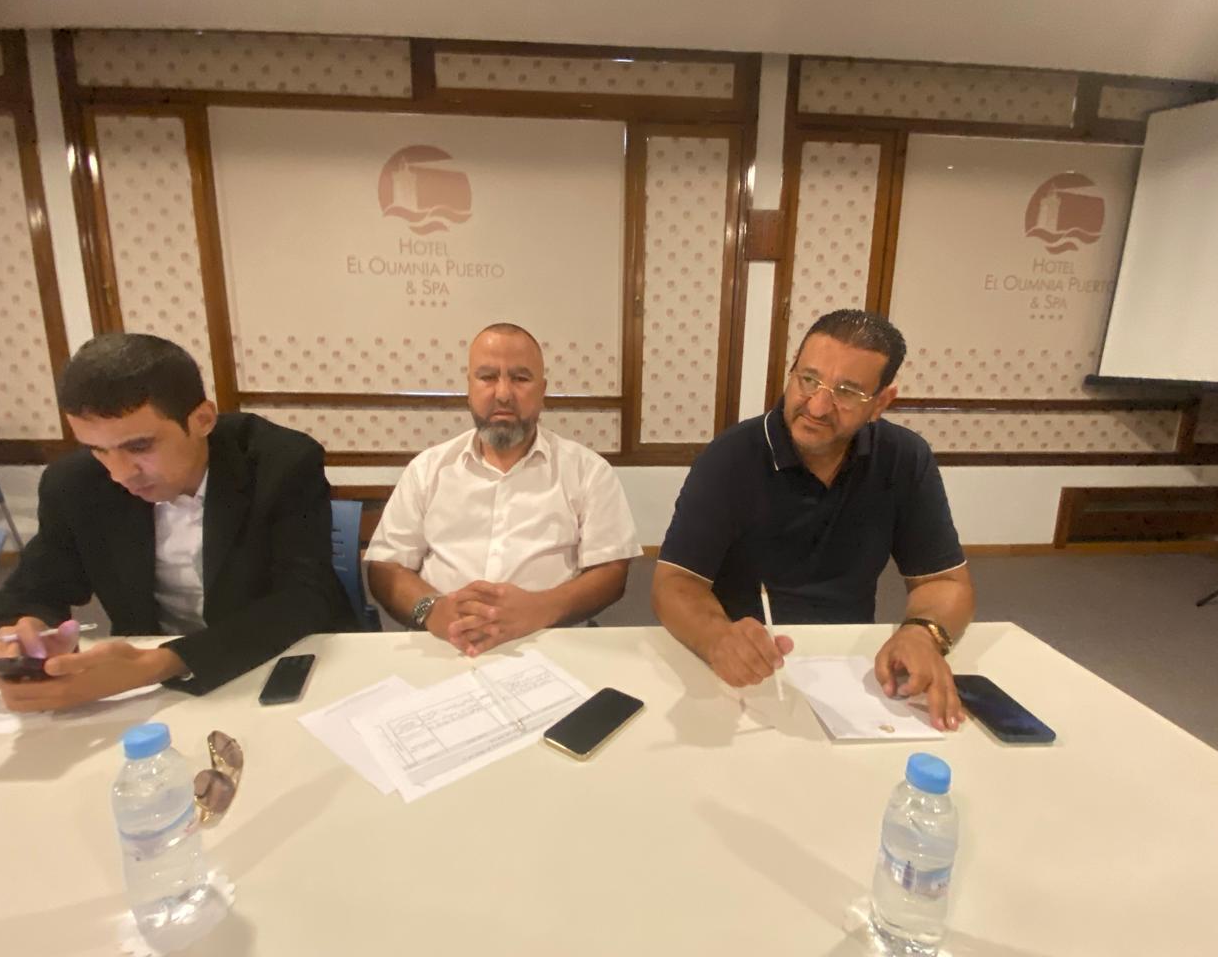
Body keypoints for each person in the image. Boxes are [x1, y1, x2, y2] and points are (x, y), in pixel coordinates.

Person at [0, 333, 353, 710]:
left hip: (277, 663)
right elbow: (35, 589)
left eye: (139, 446)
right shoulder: (74, 484)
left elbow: (303, 598)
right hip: (152, 687)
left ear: (202, 419)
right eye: (97, 449)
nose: (120, 473)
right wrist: (21, 637)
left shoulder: (280, 461)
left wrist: (156, 665)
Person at [651, 310, 975, 730]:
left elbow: (944, 582)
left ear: (880, 402)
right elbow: (675, 583)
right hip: (744, 664)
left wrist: (922, 633)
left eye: (847, 392)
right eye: (808, 380)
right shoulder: (731, 456)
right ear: (791, 373)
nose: (818, 406)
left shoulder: (904, 458)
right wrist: (716, 637)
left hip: (852, 664)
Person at [366, 322, 641, 654]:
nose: (503, 394)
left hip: (550, 644)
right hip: (444, 646)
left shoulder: (588, 471)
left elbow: (611, 571)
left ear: (543, 390)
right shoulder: (427, 470)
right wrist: (433, 609)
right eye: (487, 377)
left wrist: (541, 608)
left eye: (521, 378)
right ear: (469, 387)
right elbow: (386, 567)